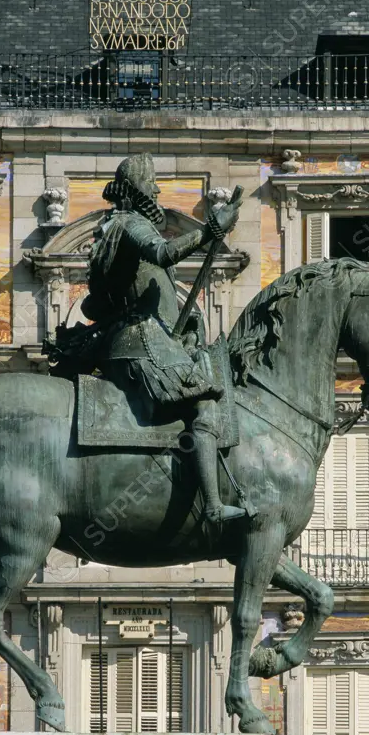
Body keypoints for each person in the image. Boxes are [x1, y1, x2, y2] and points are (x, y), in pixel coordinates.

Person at [77, 153, 247, 527]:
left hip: (144, 338)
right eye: (152, 182)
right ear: (138, 188)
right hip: (140, 342)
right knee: (203, 404)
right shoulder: (128, 223)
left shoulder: (118, 227)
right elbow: (163, 252)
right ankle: (214, 507)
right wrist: (210, 229)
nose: (156, 190)